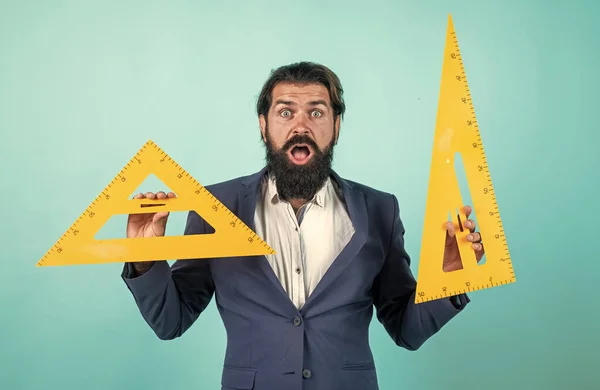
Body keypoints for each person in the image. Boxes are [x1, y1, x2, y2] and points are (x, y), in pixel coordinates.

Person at [121, 61, 485, 390]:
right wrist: (144, 258)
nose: (300, 125)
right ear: (264, 126)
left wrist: (451, 277)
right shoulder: (216, 207)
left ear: (336, 126)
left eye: (316, 112)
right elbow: (171, 321)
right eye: (285, 112)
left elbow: (407, 329)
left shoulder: (379, 209)